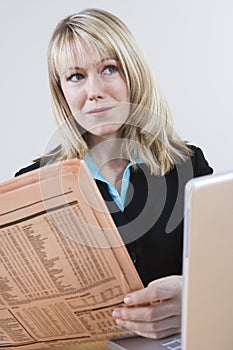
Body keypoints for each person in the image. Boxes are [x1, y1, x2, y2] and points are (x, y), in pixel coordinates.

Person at [15, 8, 213, 340]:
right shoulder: (32, 186)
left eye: (109, 69)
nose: (94, 91)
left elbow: (224, 268)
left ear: (133, 75)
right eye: (76, 76)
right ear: (62, 91)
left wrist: (195, 295)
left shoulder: (188, 165)